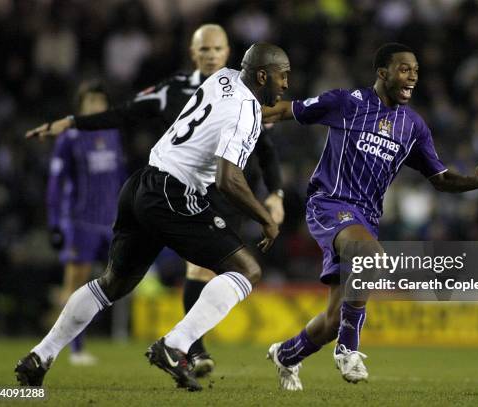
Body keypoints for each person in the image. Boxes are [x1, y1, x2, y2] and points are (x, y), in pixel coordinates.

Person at [15, 42, 291, 391]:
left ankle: (39, 356)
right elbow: (228, 178)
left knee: (112, 283)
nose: (286, 85)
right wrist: (265, 217)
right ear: (263, 75)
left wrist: (292, 110)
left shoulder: (223, 78)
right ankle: (175, 346)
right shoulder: (245, 112)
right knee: (246, 270)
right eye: (283, 77)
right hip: (173, 193)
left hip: (141, 183)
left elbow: (236, 113)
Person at [262, 43, 478, 391]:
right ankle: (348, 349)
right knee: (371, 256)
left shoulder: (413, 127)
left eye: (416, 71)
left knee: (334, 318)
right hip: (329, 203)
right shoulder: (347, 103)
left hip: (364, 218)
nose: (412, 77)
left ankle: (286, 354)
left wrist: (473, 181)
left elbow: (439, 179)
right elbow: (284, 110)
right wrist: (236, 120)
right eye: (405, 69)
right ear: (383, 73)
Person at [46, 80, 125, 366]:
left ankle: (93, 338)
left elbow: (119, 177)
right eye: (90, 101)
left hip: (109, 222)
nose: (95, 106)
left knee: (111, 282)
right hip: (79, 222)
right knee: (75, 284)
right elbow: (56, 182)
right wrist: (55, 222)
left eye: (100, 101)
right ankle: (74, 349)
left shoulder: (112, 133)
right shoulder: (70, 136)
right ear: (80, 106)